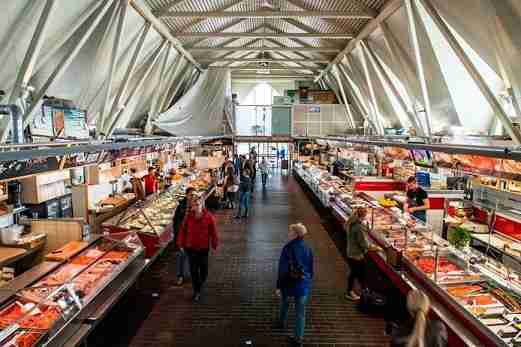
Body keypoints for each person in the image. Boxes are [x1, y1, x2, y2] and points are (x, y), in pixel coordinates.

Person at [275, 223, 314, 347]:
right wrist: (307, 281)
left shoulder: (288, 248)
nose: (288, 234)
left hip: (288, 283)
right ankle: (298, 339)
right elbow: (311, 269)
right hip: (302, 284)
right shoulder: (308, 248)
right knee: (300, 312)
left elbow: (282, 270)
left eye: (290, 232)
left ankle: (281, 322)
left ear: (296, 234)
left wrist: (279, 286)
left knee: (285, 302)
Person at [177, 197, 219, 303]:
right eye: (194, 205)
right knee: (193, 270)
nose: (195, 207)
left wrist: (214, 243)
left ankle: (201, 283)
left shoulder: (209, 217)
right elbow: (183, 230)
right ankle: (197, 291)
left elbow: (213, 232)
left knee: (204, 270)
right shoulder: (188, 217)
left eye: (197, 204)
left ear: (202, 205)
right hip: (190, 247)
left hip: (203, 248)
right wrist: (181, 243)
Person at [345, 207, 370, 301]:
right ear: (363, 216)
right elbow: (364, 244)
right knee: (355, 273)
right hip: (356, 254)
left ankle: (363, 289)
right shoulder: (358, 227)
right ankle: (349, 292)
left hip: (351, 251)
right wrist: (375, 248)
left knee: (360, 272)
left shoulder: (352, 223)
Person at [172, 187, 195, 286]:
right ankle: (180, 276)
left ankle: (190, 274)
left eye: (194, 195)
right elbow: (175, 220)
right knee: (181, 256)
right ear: (186, 195)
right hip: (182, 235)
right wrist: (177, 235)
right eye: (190, 195)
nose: (192, 197)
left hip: (193, 236)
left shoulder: (197, 206)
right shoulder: (181, 205)